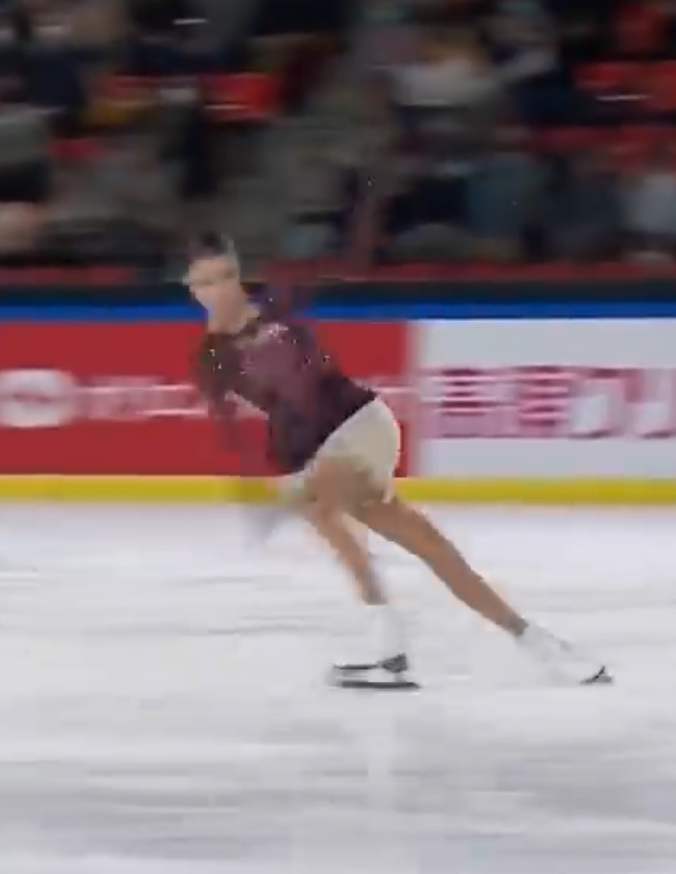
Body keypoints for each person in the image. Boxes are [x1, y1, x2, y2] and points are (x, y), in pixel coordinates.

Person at [184, 232, 609, 690]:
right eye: (206, 283)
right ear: (191, 289)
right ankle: (531, 641)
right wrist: (261, 478)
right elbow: (243, 429)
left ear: (238, 274)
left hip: (360, 427)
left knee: (314, 503)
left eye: (225, 276)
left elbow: (304, 379)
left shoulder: (276, 311)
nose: (219, 290)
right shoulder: (211, 358)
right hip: (321, 449)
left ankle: (389, 644)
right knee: (420, 541)